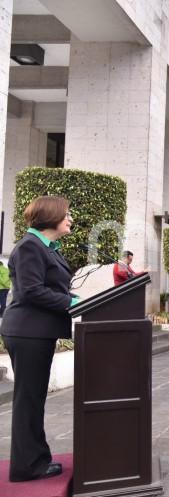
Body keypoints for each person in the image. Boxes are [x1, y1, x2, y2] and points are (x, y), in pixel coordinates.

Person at [0, 196, 77, 482]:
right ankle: (27, 467)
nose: (70, 219)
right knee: (28, 400)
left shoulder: (46, 248)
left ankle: (36, 458)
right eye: (66, 214)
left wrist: (71, 298)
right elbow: (31, 291)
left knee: (33, 399)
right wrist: (70, 301)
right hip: (27, 331)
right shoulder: (30, 246)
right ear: (51, 215)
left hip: (36, 331)